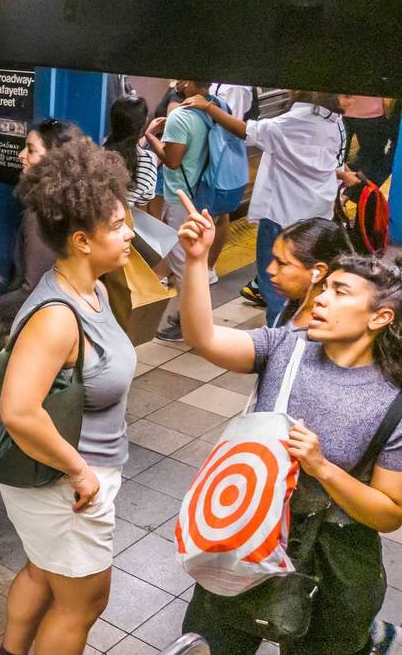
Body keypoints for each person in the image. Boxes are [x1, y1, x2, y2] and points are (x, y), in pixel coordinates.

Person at [173, 193, 402, 654]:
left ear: (380, 317)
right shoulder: (287, 344)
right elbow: (205, 338)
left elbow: (390, 512)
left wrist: (322, 467)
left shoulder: (393, 399)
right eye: (327, 286)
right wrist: (196, 262)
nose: (321, 300)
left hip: (333, 559)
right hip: (249, 533)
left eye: (341, 292)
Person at [0, 140, 137, 655]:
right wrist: (80, 472)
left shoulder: (92, 290)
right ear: (81, 240)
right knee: (83, 602)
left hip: (70, 479)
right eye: (118, 225)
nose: (130, 234)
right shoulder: (57, 316)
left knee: (41, 571)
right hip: (64, 484)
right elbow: (17, 411)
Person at [180, 90, 346, 325]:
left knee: (276, 278)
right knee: (304, 278)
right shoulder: (334, 122)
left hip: (283, 212)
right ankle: (295, 323)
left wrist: (207, 107)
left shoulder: (294, 121)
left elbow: (247, 130)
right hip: (317, 209)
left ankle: (277, 330)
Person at [144, 79, 220, 341]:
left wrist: (151, 137)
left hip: (181, 196)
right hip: (203, 188)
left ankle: (189, 324)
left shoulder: (180, 116)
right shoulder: (215, 107)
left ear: (187, 83)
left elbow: (172, 161)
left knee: (182, 263)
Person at [0, 118, 84, 332]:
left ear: (53, 159)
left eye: (31, 150)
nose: (21, 156)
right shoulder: (77, 202)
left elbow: (33, 286)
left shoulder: (40, 213)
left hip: (38, 325)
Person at [264, 217, 354, 329]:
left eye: (281, 263)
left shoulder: (322, 334)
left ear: (318, 272)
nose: (270, 270)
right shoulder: (296, 302)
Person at [103, 96, 160, 208]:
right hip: (123, 220)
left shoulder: (95, 154)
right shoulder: (148, 161)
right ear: (143, 124)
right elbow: (143, 201)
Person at [339, 95, 396, 185]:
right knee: (371, 159)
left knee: (337, 158)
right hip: (370, 112)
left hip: (340, 108)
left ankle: (348, 193)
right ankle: (353, 193)